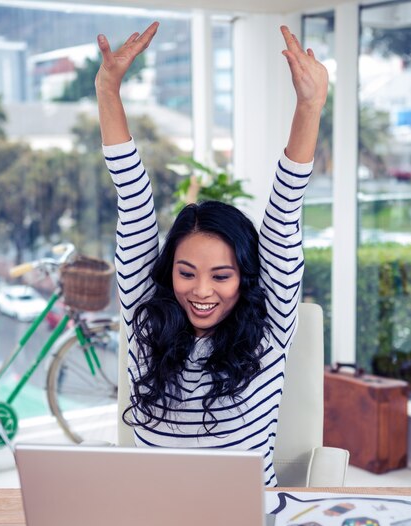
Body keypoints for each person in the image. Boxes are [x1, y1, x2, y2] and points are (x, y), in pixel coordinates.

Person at [95, 22, 328, 486]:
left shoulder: (271, 324)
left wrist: (309, 106)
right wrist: (108, 89)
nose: (202, 291)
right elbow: (134, 198)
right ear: (168, 273)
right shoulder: (146, 315)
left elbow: (285, 211)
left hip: (249, 523)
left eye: (222, 276)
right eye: (187, 273)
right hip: (151, 522)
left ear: (244, 277)